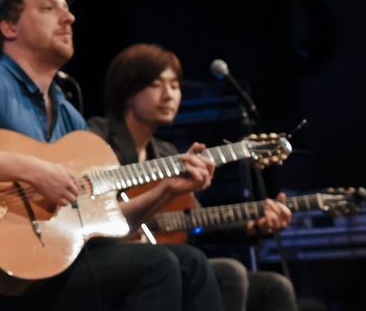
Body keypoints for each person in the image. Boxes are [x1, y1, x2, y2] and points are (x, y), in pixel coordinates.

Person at [0, 0, 224, 311]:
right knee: (157, 265)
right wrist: (34, 171)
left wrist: (167, 190)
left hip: (56, 267)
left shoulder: (66, 112)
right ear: (10, 28)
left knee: (192, 263)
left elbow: (103, 223)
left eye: (67, 10)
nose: (69, 17)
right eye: (48, 9)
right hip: (2, 282)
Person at [90, 44, 297, 311]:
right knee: (229, 272)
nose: (169, 95)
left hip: (166, 258)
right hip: (108, 259)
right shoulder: (97, 138)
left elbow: (194, 222)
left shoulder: (166, 152)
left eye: (175, 86)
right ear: (128, 91)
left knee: (274, 287)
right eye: (156, 84)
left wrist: (254, 225)